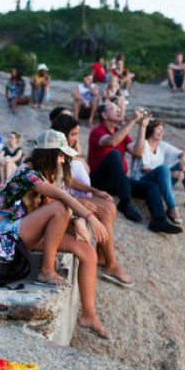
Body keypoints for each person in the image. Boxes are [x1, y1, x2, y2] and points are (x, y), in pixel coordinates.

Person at [0, 129, 111, 339]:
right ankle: (46, 270)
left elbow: (53, 205)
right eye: (60, 155)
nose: (63, 160)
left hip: (27, 231)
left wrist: (77, 221)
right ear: (49, 155)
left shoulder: (44, 175)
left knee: (87, 251)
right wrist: (90, 218)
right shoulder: (27, 173)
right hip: (7, 234)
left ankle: (89, 315)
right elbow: (61, 199)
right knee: (61, 208)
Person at [51, 113, 135, 287]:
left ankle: (103, 255)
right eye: (73, 134)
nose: (76, 139)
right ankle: (111, 264)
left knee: (109, 205)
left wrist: (95, 190)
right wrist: (75, 200)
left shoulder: (64, 152)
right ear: (63, 133)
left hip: (67, 197)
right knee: (104, 209)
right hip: (57, 203)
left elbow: (67, 179)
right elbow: (50, 189)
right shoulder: (51, 152)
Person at [88, 102, 183, 234]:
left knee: (151, 187)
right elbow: (112, 142)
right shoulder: (97, 131)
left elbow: (137, 152)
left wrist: (142, 127)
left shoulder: (120, 133)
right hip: (99, 180)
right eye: (113, 109)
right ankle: (125, 202)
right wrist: (132, 121)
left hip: (119, 180)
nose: (119, 111)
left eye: (118, 109)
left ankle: (159, 220)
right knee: (114, 154)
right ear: (104, 115)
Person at [129, 119, 185, 225]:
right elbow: (145, 169)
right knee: (163, 169)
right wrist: (171, 174)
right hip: (141, 182)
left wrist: (182, 161)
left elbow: (183, 153)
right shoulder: (144, 144)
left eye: (163, 130)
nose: (162, 132)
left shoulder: (161, 145)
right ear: (151, 129)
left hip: (159, 181)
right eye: (159, 129)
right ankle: (172, 207)